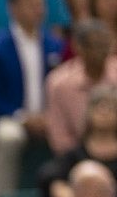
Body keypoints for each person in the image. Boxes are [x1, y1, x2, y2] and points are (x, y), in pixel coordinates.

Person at [0, 0, 65, 197]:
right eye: (31, 4)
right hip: (10, 116)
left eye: (41, 4)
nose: (38, 10)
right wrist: (23, 117)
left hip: (49, 117)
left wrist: (49, 117)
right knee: (9, 137)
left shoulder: (55, 45)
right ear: (13, 8)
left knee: (68, 133)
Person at [39, 84, 117, 197]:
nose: (104, 112)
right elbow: (53, 182)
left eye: (111, 107)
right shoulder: (73, 155)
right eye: (99, 106)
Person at [46, 20, 117, 158]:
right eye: (95, 46)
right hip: (76, 157)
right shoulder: (59, 83)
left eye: (105, 45)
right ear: (78, 47)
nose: (101, 51)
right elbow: (59, 138)